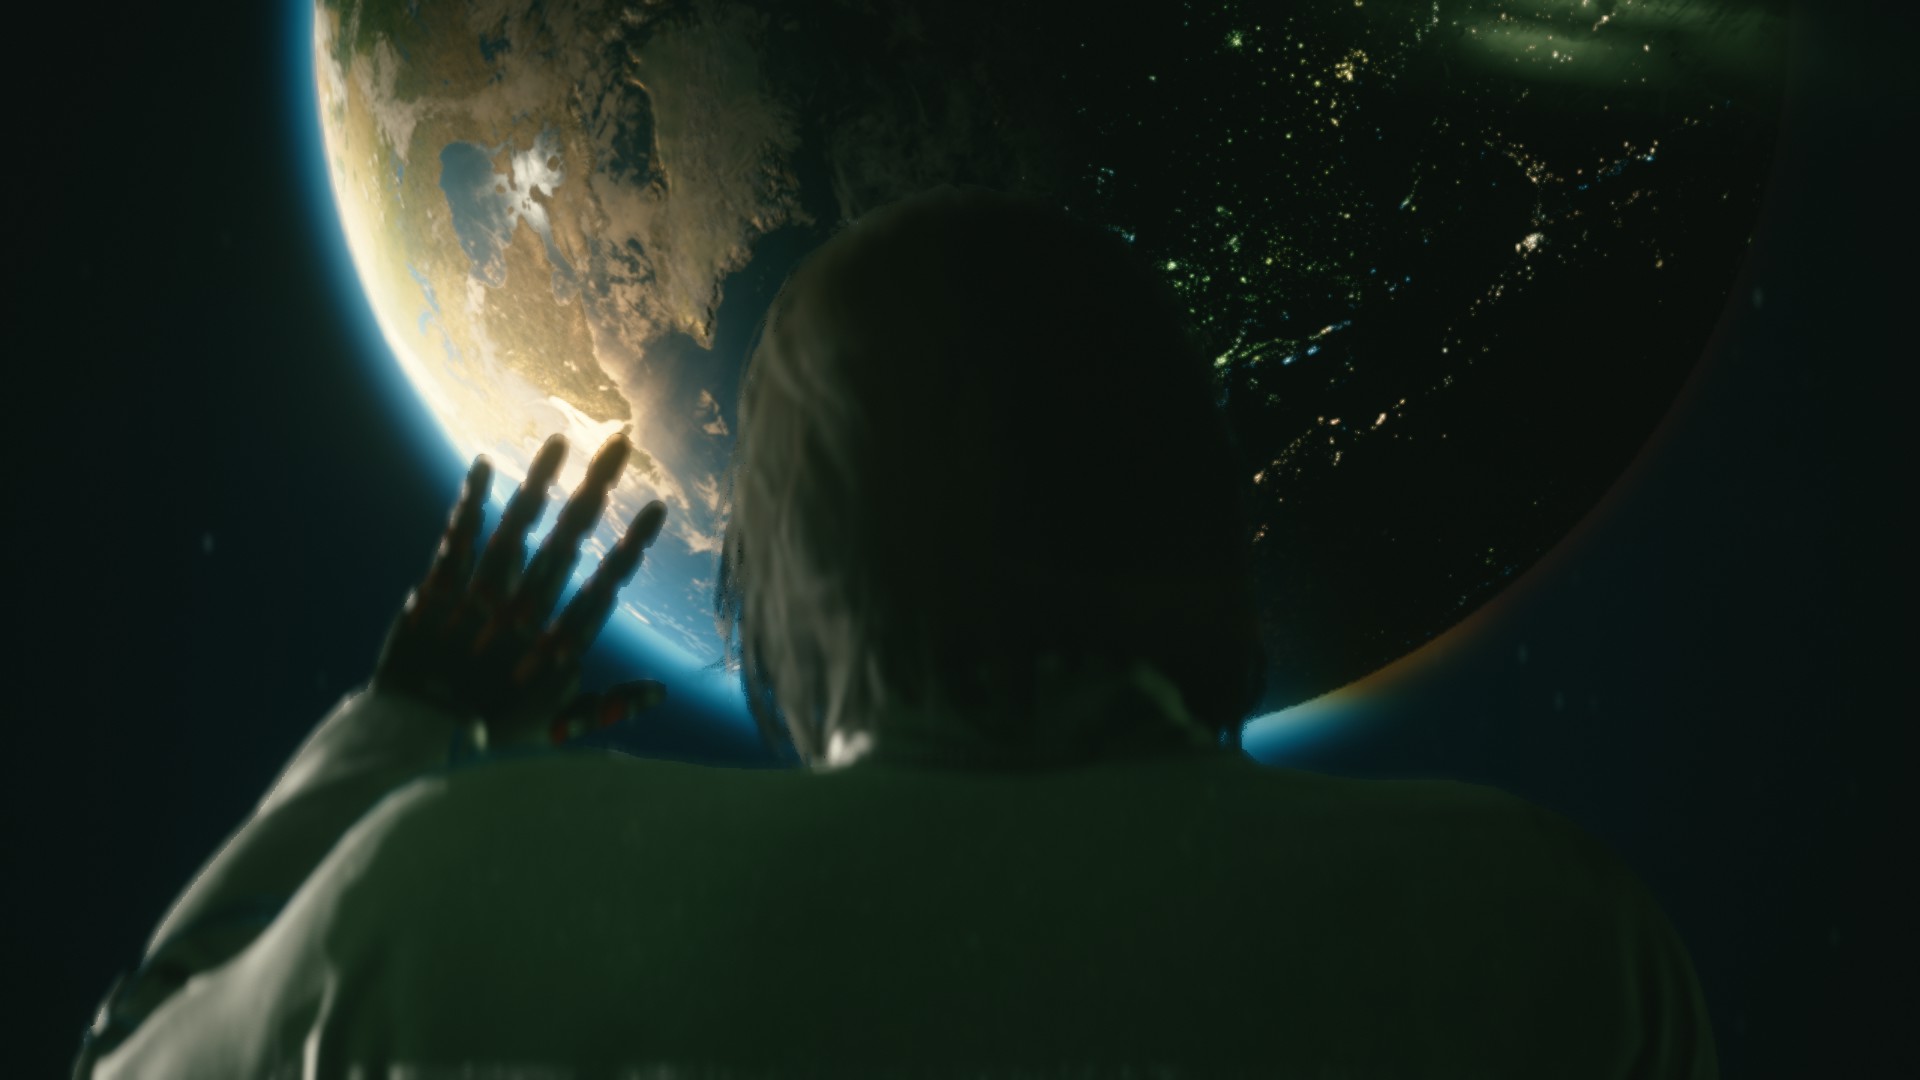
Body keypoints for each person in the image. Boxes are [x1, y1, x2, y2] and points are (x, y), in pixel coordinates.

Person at [75, 187, 1717, 1078]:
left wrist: (404, 721)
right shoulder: (1546, 938)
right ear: (1201, 518)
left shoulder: (454, 904)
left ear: (784, 555)